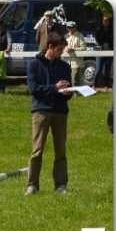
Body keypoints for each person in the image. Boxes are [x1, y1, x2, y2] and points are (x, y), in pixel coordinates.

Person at [25, 33, 73, 195]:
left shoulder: (64, 67)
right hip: (41, 111)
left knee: (61, 150)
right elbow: (34, 89)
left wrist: (68, 92)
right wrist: (55, 88)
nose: (62, 52)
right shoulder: (34, 64)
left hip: (60, 111)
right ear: (50, 47)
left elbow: (68, 88)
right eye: (59, 49)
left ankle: (61, 185)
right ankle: (32, 185)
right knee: (37, 149)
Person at [63, 21, 86, 87]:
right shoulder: (65, 36)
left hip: (76, 61)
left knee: (75, 78)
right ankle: (68, 92)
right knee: (66, 77)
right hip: (66, 61)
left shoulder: (80, 36)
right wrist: (65, 48)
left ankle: (76, 93)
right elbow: (62, 47)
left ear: (75, 27)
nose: (70, 29)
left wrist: (74, 49)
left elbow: (83, 47)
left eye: (71, 27)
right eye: (68, 27)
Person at [93, 16, 113, 90]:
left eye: (107, 20)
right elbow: (97, 39)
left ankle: (106, 86)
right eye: (104, 20)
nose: (106, 22)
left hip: (110, 52)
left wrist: (110, 45)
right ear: (102, 21)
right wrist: (101, 45)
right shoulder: (98, 29)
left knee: (108, 70)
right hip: (100, 52)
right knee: (98, 70)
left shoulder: (112, 29)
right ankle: (94, 85)